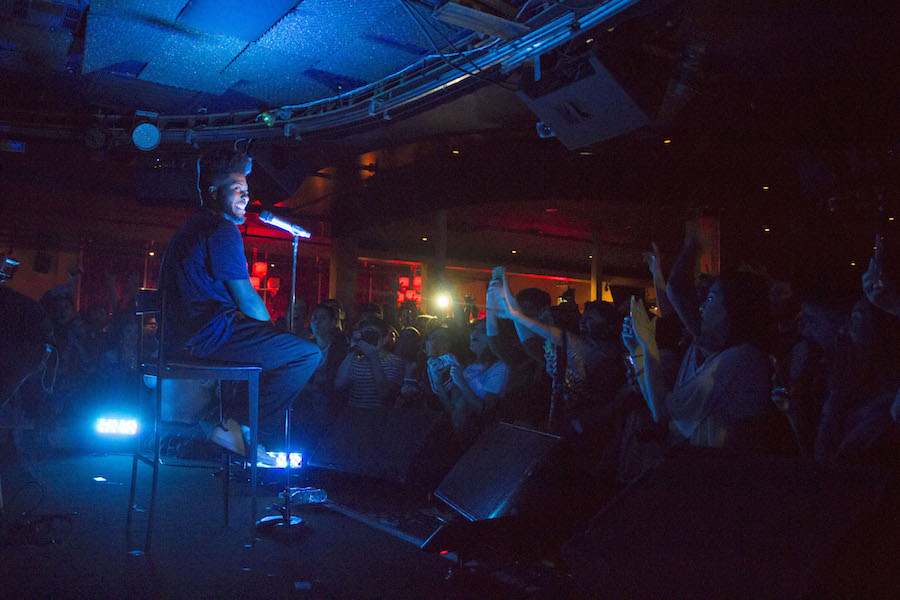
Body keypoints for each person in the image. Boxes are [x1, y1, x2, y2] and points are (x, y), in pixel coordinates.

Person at [158, 151, 321, 463]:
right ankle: (238, 427)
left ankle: (234, 426)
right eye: (237, 189)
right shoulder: (221, 229)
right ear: (213, 192)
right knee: (305, 355)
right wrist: (274, 335)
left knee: (274, 354)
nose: (246, 196)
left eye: (247, 190)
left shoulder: (194, 227)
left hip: (182, 337)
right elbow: (245, 296)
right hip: (206, 337)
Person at [623, 269, 784, 450]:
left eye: (710, 298)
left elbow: (663, 412)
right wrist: (638, 350)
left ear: (734, 306)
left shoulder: (739, 359)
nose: (701, 307)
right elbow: (663, 406)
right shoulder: (712, 353)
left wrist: (647, 344)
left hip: (716, 472)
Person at [334, 316, 404, 410]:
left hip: (381, 417)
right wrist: (353, 348)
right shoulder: (356, 360)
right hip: (355, 416)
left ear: (384, 339)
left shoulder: (394, 362)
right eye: (365, 335)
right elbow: (338, 385)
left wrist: (374, 358)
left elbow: (385, 395)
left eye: (373, 335)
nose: (369, 339)